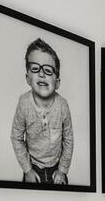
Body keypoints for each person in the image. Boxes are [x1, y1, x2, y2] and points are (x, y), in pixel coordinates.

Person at [10, 38, 73, 185]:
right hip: (33, 168)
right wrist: (27, 170)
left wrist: (62, 170)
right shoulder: (24, 103)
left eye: (48, 70)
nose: (42, 74)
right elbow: (16, 137)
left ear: (57, 82)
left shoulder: (62, 105)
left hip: (57, 169)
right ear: (28, 78)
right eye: (35, 68)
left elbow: (68, 140)